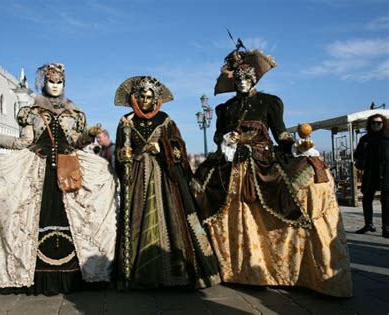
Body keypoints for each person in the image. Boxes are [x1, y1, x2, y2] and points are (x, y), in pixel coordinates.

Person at [191, 44, 352, 297]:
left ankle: (269, 268)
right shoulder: (224, 109)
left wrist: (299, 147)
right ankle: (233, 269)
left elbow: (281, 135)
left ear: (254, 78)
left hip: (262, 162)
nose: (242, 82)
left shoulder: (270, 102)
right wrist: (226, 138)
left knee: (296, 186)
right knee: (201, 184)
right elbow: (216, 137)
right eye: (239, 78)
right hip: (232, 163)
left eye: (247, 78)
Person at [0, 63, 119, 295]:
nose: (55, 86)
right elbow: (22, 143)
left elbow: (75, 141)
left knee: (100, 185)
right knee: (14, 205)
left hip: (67, 168)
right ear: (44, 83)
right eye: (51, 81)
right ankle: (28, 274)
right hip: (37, 170)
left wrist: (88, 135)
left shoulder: (73, 112)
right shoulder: (32, 111)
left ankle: (83, 273)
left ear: (64, 84)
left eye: (59, 82)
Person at [114, 76, 220, 290]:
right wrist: (123, 154)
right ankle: (135, 274)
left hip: (165, 177)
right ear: (135, 97)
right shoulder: (126, 121)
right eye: (141, 97)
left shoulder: (166, 120)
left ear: (156, 99)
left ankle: (176, 272)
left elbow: (179, 148)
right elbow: (119, 151)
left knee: (172, 216)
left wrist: (162, 148)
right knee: (136, 218)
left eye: (149, 97)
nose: (145, 101)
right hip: (136, 177)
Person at [354, 113, 389, 238]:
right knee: (367, 199)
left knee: (386, 202)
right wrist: (365, 149)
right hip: (370, 173)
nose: (375, 125)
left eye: (378, 123)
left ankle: (386, 227)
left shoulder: (387, 137)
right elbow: (356, 154)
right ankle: (368, 224)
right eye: (373, 123)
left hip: (386, 173)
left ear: (383, 123)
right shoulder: (365, 139)